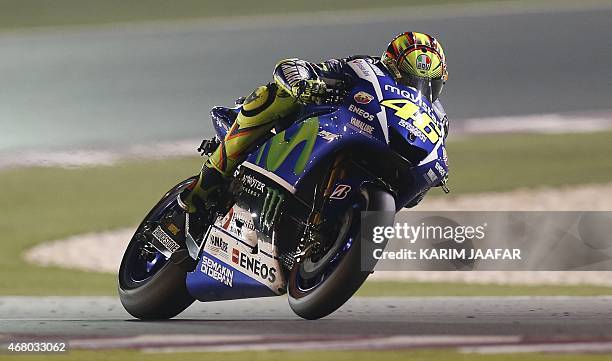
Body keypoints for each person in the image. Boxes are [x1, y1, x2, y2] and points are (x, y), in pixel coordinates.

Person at [177, 31, 449, 227]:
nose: (414, 88)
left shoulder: (438, 119)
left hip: (378, 150)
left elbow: (416, 193)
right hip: (320, 125)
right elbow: (294, 67)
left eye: (427, 83)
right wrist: (303, 82)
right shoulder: (363, 69)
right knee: (270, 95)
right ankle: (211, 179)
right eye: (405, 76)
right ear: (390, 65)